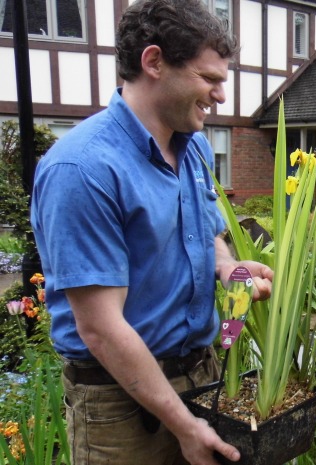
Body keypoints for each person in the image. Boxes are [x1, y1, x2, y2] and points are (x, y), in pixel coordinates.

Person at [30, 1, 273, 464]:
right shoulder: (82, 168)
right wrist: (185, 427)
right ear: (154, 62)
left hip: (200, 373)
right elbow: (100, 328)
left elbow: (207, 233)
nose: (220, 96)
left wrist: (227, 268)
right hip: (120, 406)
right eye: (210, 79)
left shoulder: (196, 146)